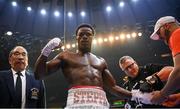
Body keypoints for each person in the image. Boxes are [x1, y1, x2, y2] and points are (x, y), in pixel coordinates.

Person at [34, 24, 151, 108]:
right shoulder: (65, 56)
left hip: (100, 104)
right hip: (76, 103)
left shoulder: (101, 61)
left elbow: (113, 87)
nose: (85, 37)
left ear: (92, 38)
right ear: (77, 37)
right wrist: (46, 51)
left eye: (88, 34)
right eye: (81, 34)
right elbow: (39, 74)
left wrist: (139, 96)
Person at [150, 16, 180, 104]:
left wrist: (162, 95)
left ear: (167, 26)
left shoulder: (176, 33)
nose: (159, 37)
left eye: (159, 32)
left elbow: (179, 71)